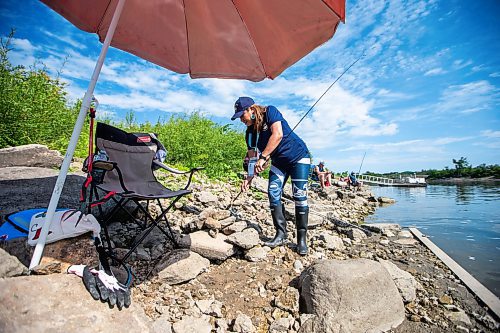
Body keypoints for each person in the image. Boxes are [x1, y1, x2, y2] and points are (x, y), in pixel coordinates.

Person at [231, 97, 311, 255]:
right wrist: (249, 177)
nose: (241, 119)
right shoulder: (250, 134)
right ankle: (280, 234)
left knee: (299, 196)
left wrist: (264, 157)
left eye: (242, 115)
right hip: (279, 163)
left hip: (299, 157)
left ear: (251, 110)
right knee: (273, 192)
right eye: (238, 117)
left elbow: (278, 135)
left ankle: (302, 240)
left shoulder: (270, 112)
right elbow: (253, 158)